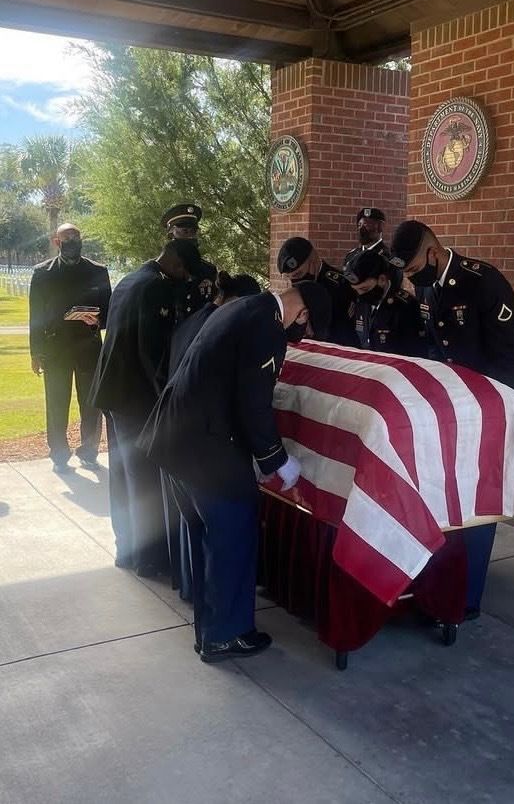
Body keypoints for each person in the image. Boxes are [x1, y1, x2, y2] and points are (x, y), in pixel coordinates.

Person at [138, 281, 332, 663]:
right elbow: (253, 404)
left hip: (177, 443)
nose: (299, 335)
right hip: (208, 451)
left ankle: (210, 631)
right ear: (303, 313)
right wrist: (277, 460)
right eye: (305, 328)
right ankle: (226, 636)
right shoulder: (267, 328)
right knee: (234, 538)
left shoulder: (244, 306)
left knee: (209, 541)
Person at [388, 219, 514, 619]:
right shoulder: (425, 288)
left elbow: (506, 359)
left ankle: (466, 598)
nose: (413, 279)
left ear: (433, 253)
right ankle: (447, 579)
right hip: (456, 409)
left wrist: (494, 416)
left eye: (416, 270)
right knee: (451, 494)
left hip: (491, 409)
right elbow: (436, 350)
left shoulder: (482, 282)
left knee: (479, 498)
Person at [89, 239, 202, 578]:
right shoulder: (154, 287)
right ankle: (147, 558)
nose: (184, 278)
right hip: (135, 397)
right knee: (143, 478)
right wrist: (166, 399)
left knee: (123, 474)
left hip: (113, 392)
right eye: (183, 270)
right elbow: (150, 352)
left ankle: (126, 548)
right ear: (174, 261)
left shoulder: (130, 278)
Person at [162, 270, 261, 598]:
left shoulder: (196, 319)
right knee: (217, 535)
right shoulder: (220, 327)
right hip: (200, 443)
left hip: (174, 436)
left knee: (191, 530)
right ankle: (210, 610)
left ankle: (191, 591)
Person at [29, 224, 111, 473]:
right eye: (67, 238)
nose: (72, 241)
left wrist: (96, 319)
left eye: (76, 237)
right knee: (56, 403)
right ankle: (59, 455)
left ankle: (89, 452)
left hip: (89, 347)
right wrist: (35, 352)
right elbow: (36, 316)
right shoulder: (43, 273)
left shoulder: (98, 271)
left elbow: (110, 310)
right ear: (57, 241)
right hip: (56, 350)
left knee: (90, 404)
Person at [343, 248, 427, 357]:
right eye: (356, 290)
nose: (360, 294)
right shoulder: (361, 302)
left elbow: (415, 352)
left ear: (382, 279)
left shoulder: (405, 306)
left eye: (364, 289)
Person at [277, 236, 357, 347]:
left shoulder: (340, 286)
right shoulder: (296, 290)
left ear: (313, 260)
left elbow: (344, 330)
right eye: (290, 278)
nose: (295, 281)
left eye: (299, 274)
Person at [161, 203, 218, 319]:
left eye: (193, 231)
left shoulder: (209, 270)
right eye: (185, 231)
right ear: (171, 233)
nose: (190, 236)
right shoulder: (161, 272)